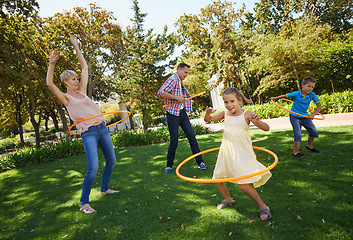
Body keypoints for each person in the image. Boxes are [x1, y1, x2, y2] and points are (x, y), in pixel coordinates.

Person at [46, 35, 118, 214]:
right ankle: (84, 203)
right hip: (89, 132)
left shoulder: (83, 91)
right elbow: (49, 83)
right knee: (93, 167)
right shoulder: (66, 98)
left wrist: (76, 45)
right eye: (73, 79)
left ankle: (104, 189)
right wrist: (52, 63)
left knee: (111, 161)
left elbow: (85, 67)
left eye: (77, 78)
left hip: (102, 128)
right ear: (65, 82)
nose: (77, 81)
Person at [204, 87, 272, 220]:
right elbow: (208, 120)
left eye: (232, 101)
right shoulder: (225, 114)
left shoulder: (246, 114)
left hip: (242, 154)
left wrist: (257, 121)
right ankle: (228, 199)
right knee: (218, 179)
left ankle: (263, 206)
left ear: (239, 100)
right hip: (226, 152)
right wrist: (207, 113)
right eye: (226, 102)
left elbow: (266, 128)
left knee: (243, 186)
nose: (229, 105)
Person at [157, 63, 207, 174]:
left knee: (192, 137)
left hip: (182, 113)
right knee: (174, 140)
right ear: (179, 70)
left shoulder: (179, 81)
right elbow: (161, 93)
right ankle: (169, 165)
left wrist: (182, 98)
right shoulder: (173, 79)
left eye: (187, 73)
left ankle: (200, 162)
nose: (186, 75)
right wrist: (177, 98)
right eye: (185, 72)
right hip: (172, 114)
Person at [270, 77, 322, 157]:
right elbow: (285, 96)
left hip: (305, 116)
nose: (310, 89)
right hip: (294, 116)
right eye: (308, 86)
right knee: (298, 134)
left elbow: (319, 106)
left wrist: (313, 114)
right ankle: (295, 152)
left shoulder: (312, 95)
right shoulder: (296, 94)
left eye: (312, 87)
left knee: (313, 132)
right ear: (302, 85)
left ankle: (309, 146)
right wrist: (274, 98)